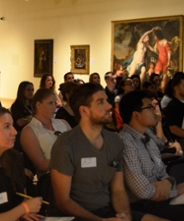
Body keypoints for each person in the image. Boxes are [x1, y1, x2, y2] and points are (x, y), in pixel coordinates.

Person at [50, 83, 154, 221]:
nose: (109, 106)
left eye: (106, 100)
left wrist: (125, 217)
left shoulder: (114, 140)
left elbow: (118, 190)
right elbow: (63, 201)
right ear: (84, 111)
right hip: (78, 217)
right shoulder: (66, 145)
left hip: (108, 211)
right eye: (100, 102)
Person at [120, 90, 184, 220]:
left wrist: (168, 184)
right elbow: (143, 191)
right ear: (136, 115)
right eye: (149, 107)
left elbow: (163, 173)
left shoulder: (148, 135)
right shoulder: (126, 141)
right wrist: (175, 191)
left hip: (162, 197)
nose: (154, 110)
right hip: (143, 205)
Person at [21, 88, 70, 175]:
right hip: (50, 176)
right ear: (38, 105)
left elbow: (77, 144)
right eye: (50, 103)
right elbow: (40, 164)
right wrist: (68, 161)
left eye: (55, 103)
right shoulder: (29, 131)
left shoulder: (63, 123)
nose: (54, 107)